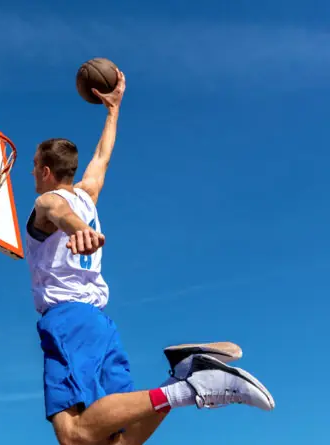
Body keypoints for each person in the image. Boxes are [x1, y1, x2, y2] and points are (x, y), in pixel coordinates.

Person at [24, 69, 275, 445]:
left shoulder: (49, 200)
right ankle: (181, 377)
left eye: (33, 167)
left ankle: (189, 389)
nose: (32, 174)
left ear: (45, 171)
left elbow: (59, 213)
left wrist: (79, 230)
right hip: (98, 323)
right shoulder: (87, 193)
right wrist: (113, 110)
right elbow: (102, 157)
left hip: (68, 319)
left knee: (74, 436)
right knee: (117, 440)